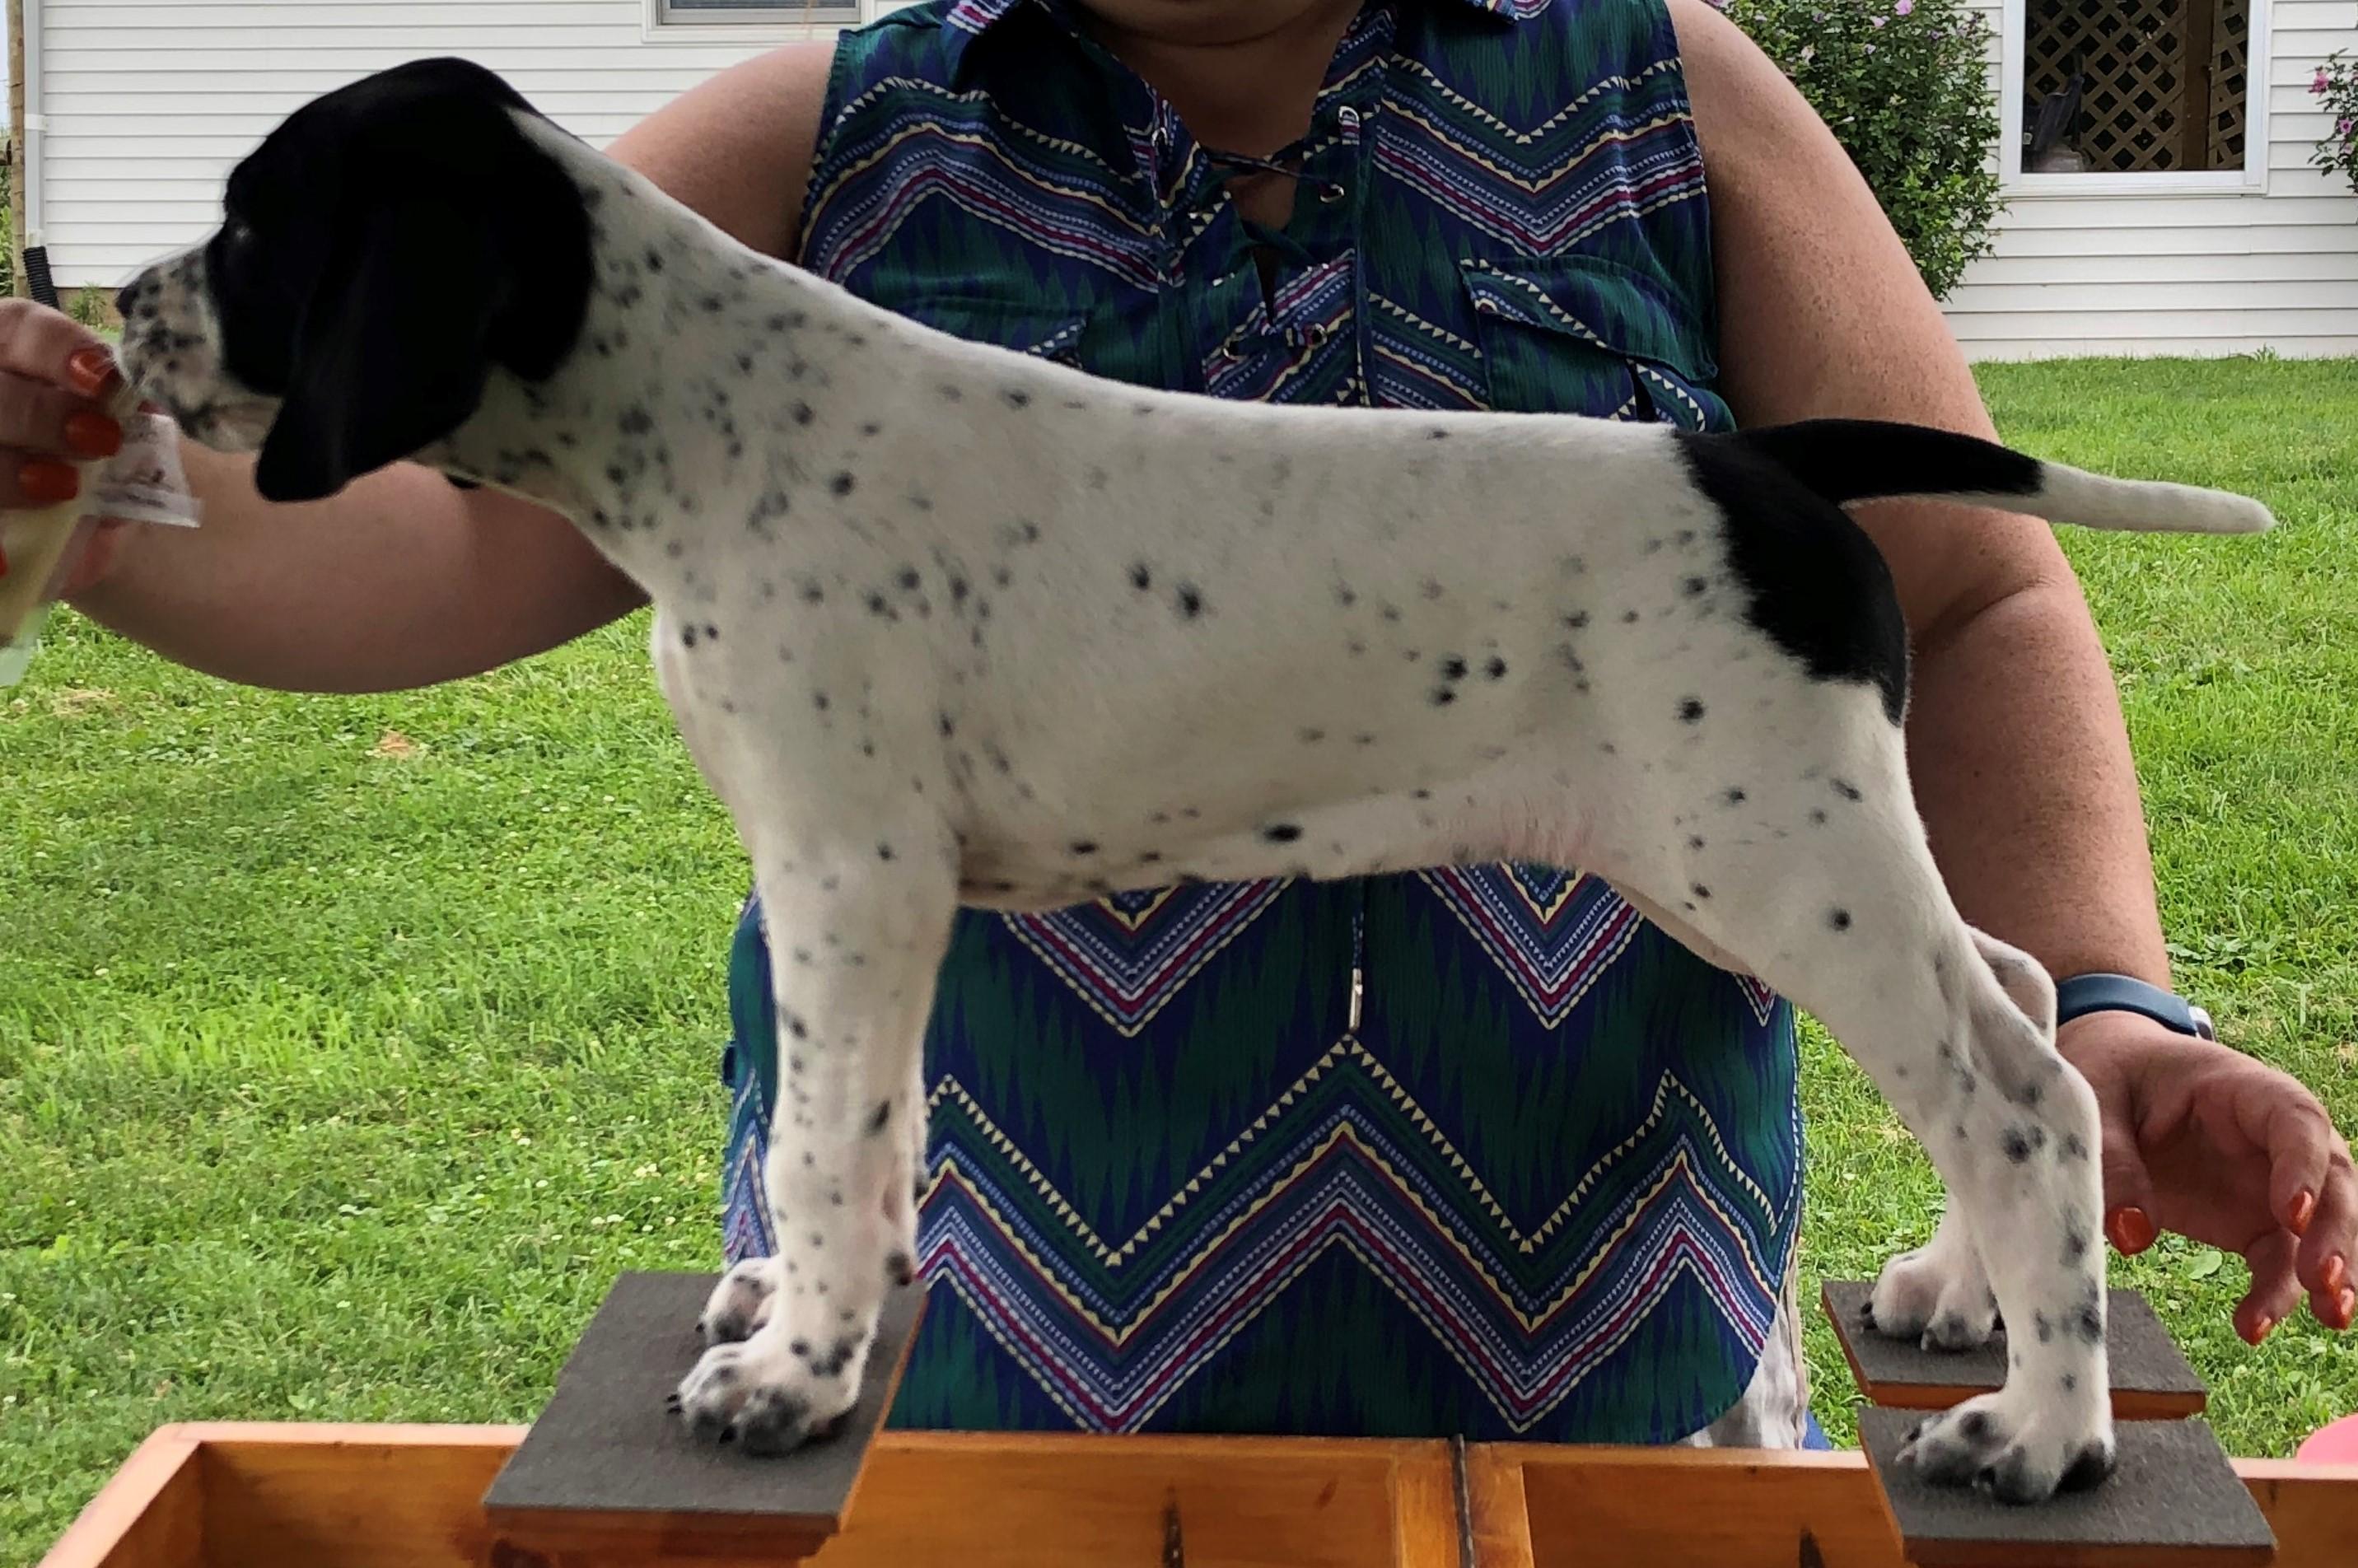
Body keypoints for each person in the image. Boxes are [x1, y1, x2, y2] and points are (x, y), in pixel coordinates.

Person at [9, 0, 2351, 1445]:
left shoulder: (1664, 88)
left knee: (1859, 940)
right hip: (986, 1441)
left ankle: (2029, 1236)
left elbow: (1972, 586)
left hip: (1613, 1421)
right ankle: (838, 1293)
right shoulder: (818, 146)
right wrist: (85, 489)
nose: (206, 293)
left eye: (260, 260)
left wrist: (2111, 1006)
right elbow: (416, 544)